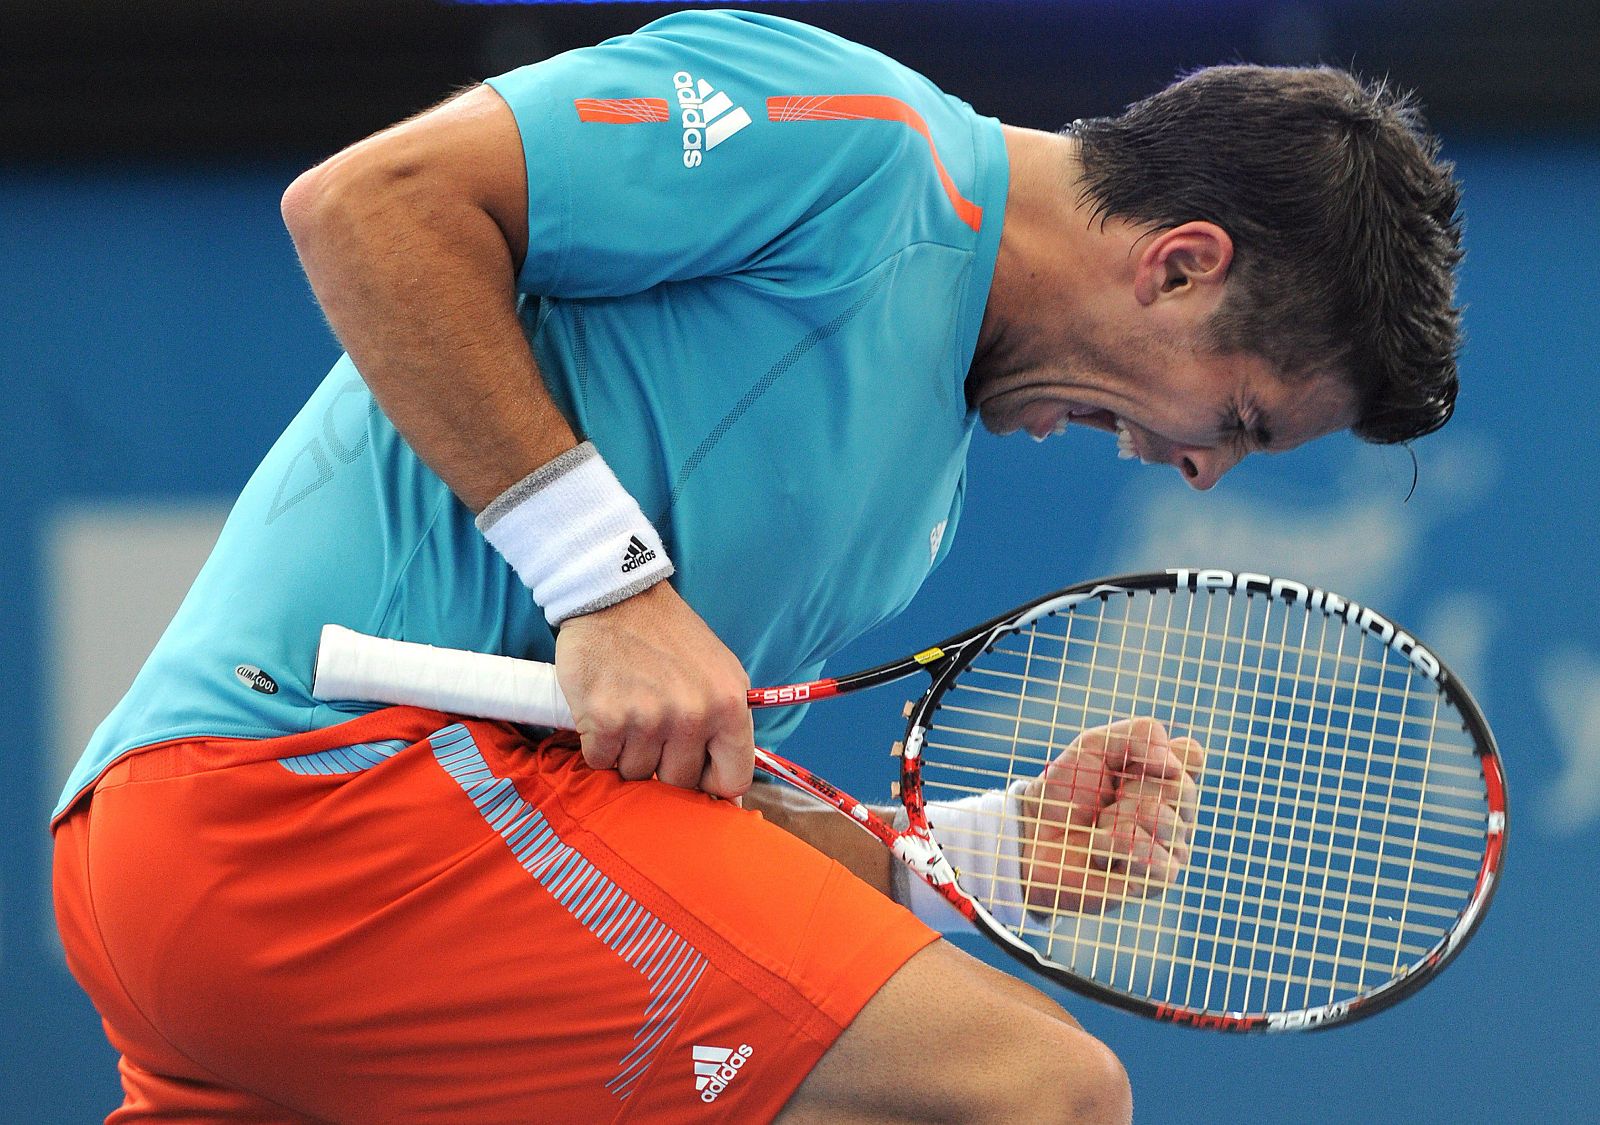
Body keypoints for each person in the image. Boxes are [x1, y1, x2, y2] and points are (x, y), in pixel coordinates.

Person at [51, 8, 1463, 1123]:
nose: (1203, 467)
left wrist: (963, 856)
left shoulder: (917, 502)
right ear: (1183, 263)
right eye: (1241, 418)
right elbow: (368, 203)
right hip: (296, 793)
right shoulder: (848, 135)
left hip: (257, 894)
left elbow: (618, 799)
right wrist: (600, 577)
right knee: (1030, 1087)